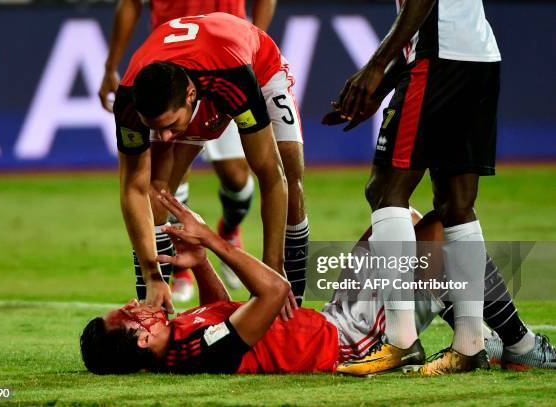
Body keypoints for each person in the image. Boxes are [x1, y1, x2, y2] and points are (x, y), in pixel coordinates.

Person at [80, 191, 556, 375]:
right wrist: (216, 242)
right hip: (347, 342)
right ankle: (519, 344)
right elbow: (274, 291)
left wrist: (202, 263)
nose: (131, 303)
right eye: (127, 314)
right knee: (440, 232)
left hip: (331, 320)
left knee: (398, 225)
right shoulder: (195, 352)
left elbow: (223, 313)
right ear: (141, 336)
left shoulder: (184, 340)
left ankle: (480, 336)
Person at [323, 0, 502, 375]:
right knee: (457, 204)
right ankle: (469, 345)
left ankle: (401, 342)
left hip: (439, 58)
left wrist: (374, 68)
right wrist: (384, 84)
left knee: (386, 190)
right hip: (478, 57)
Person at [114, 13, 309, 320]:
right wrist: (152, 274)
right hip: (196, 70)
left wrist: (271, 269)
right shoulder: (128, 101)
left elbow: (271, 177)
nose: (162, 137)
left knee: (289, 168)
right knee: (157, 191)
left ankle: (292, 300)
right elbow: (133, 189)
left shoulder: (234, 79)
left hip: (257, 67)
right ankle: (154, 310)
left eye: (169, 125)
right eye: (154, 128)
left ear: (190, 97)